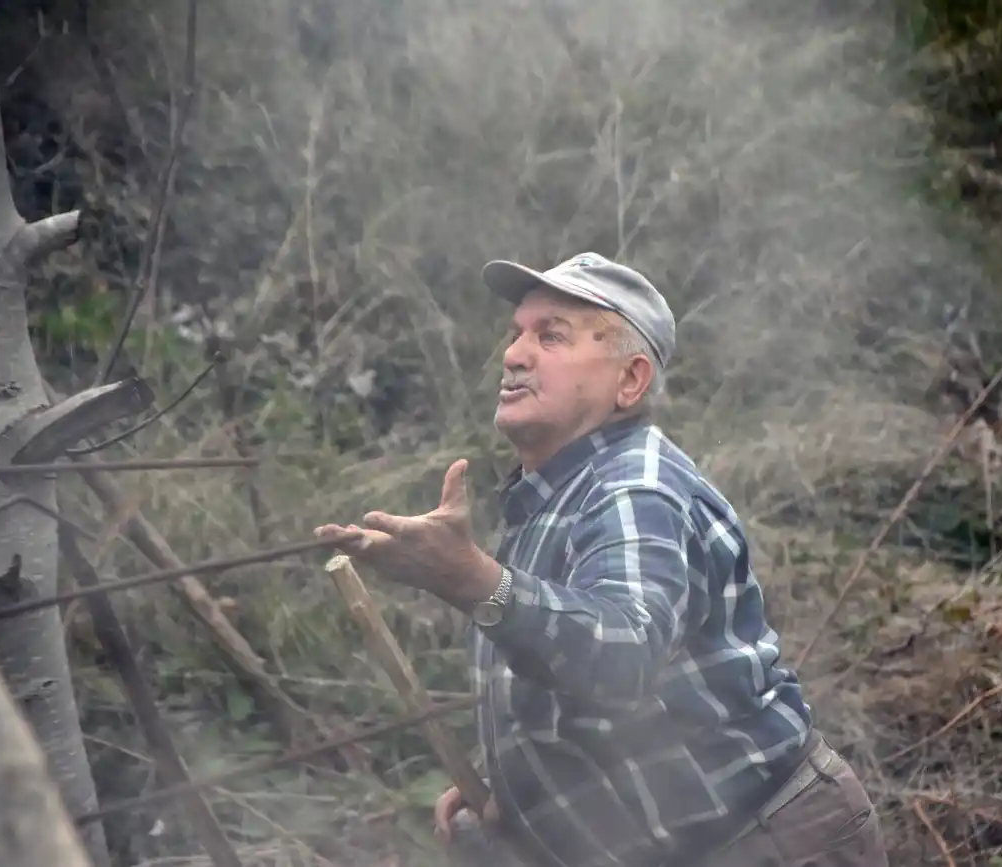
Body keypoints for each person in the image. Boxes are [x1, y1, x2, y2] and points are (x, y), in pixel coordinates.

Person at [314, 252, 889, 867]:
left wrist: (473, 579)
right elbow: (574, 684)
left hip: (764, 841)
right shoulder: (555, 495)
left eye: (551, 335)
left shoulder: (634, 489)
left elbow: (621, 656)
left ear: (630, 381)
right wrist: (519, 783)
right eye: (517, 334)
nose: (513, 354)